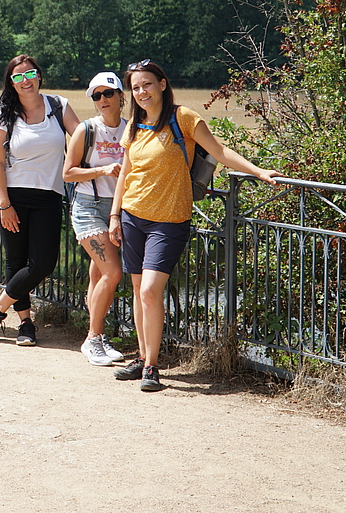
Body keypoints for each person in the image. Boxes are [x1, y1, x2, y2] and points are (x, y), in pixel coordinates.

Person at [109, 59, 282, 391]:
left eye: (146, 84)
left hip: (169, 220)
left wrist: (259, 171)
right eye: (135, 87)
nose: (141, 91)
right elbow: (126, 174)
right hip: (132, 216)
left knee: (149, 290)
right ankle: (142, 357)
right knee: (136, 290)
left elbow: (219, 150)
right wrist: (115, 215)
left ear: (162, 84)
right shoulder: (135, 125)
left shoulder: (183, 118)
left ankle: (151, 367)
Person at [0, 55, 80, 346]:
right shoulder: (5, 116)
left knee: (43, 263)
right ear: (10, 83)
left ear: (39, 76)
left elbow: (82, 136)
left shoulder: (58, 106)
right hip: (14, 196)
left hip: (49, 194)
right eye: (18, 76)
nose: (26, 81)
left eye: (30, 74)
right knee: (16, 261)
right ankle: (26, 323)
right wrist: (4, 204)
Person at [61, 71, 128, 366]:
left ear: (121, 96)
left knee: (99, 274)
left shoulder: (132, 130)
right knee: (113, 273)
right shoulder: (86, 130)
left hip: (118, 209)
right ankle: (92, 338)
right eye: (96, 95)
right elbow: (68, 173)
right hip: (88, 206)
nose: (102, 100)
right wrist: (102, 170)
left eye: (108, 93)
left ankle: (97, 339)